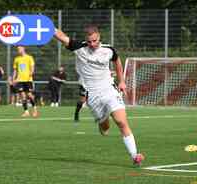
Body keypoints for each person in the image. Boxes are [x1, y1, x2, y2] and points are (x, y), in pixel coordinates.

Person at [54, 25, 144, 165]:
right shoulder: (79, 47)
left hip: (108, 89)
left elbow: (117, 62)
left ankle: (135, 155)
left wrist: (121, 81)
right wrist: (47, 26)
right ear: (86, 40)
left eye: (95, 40)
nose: (92, 44)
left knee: (121, 121)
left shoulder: (108, 50)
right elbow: (61, 36)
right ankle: (102, 121)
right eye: (89, 41)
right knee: (105, 127)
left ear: (99, 37)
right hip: (92, 95)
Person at [13, 46, 38, 117]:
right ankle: (26, 111)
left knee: (29, 95)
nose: (18, 50)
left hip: (28, 80)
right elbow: (15, 70)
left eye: (19, 49)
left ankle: (35, 110)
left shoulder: (29, 57)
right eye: (17, 49)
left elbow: (32, 67)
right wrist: (13, 78)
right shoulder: (16, 59)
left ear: (23, 49)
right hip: (20, 80)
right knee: (23, 96)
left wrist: (31, 73)